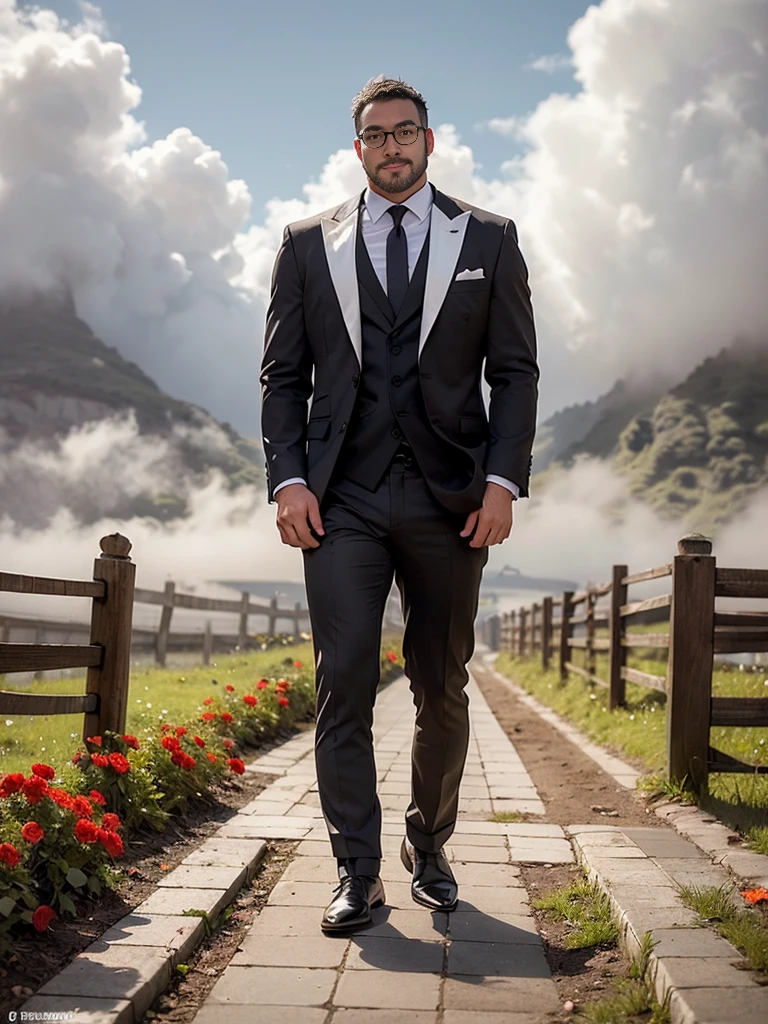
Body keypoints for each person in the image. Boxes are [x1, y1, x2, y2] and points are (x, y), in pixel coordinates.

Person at [260, 76, 538, 933]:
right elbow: (282, 377)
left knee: (440, 687)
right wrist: (288, 478)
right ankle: (357, 869)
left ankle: (432, 841)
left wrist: (502, 481)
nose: (392, 146)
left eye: (405, 132)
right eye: (375, 135)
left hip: (452, 500)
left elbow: (515, 373)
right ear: (357, 149)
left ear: (429, 140)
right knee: (342, 684)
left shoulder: (489, 237)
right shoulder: (307, 243)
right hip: (339, 499)